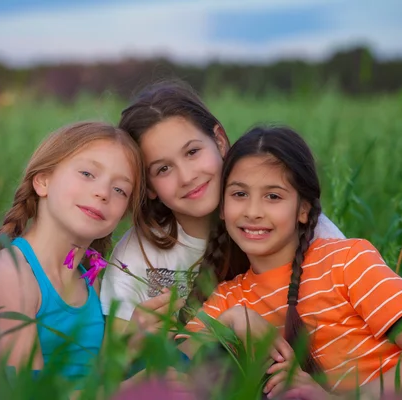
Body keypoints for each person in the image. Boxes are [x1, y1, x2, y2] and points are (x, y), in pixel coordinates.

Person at [179, 126, 402, 399]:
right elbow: (168, 374)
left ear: (304, 210)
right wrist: (230, 320)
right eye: (239, 194)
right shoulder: (229, 299)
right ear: (222, 208)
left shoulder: (347, 261)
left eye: (273, 196)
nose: (253, 212)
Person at [100, 81, 345, 332]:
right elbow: (112, 365)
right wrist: (134, 336)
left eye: (192, 152)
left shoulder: (292, 225)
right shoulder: (136, 255)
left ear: (219, 141)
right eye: (163, 169)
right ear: (148, 186)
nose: (186, 176)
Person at [0, 121, 184, 388]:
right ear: (43, 181)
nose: (103, 193)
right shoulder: (10, 272)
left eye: (120, 190)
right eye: (87, 174)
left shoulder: (89, 280)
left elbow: (89, 381)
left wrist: (129, 343)